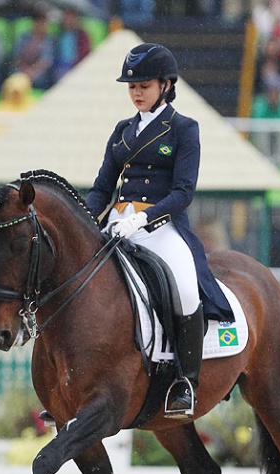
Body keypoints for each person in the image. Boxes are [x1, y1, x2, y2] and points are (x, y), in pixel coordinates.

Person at [86, 43, 234, 418]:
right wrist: (86, 218)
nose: (136, 93)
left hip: (163, 225)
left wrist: (146, 217)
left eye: (144, 86)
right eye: (132, 87)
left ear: (166, 85)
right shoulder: (122, 131)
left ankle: (186, 380)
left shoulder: (184, 129)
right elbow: (103, 187)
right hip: (119, 224)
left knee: (185, 289)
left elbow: (183, 192)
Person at [10, 11, 55, 91]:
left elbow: (46, 61)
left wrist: (32, 71)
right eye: (38, 22)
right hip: (22, 68)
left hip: (38, 71)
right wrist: (23, 68)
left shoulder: (48, 40)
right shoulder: (24, 37)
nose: (40, 26)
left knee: (42, 79)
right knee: (13, 77)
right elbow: (17, 55)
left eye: (43, 23)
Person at [52, 8, 90, 82]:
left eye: (71, 18)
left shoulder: (81, 35)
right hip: (60, 67)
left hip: (76, 66)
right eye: (67, 18)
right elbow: (54, 53)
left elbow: (85, 53)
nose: (68, 21)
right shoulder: (59, 35)